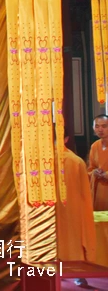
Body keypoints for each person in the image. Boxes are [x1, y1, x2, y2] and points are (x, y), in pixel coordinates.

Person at [56, 137, 96, 286]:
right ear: (65, 139)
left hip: (49, 211)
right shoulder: (76, 161)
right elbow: (85, 193)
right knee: (72, 241)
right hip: (71, 210)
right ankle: (76, 273)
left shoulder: (37, 161)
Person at [89, 115, 108, 210]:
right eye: (97, 126)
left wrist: (106, 175)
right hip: (99, 190)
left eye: (104, 126)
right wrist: (94, 172)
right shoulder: (94, 146)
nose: (100, 129)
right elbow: (90, 168)